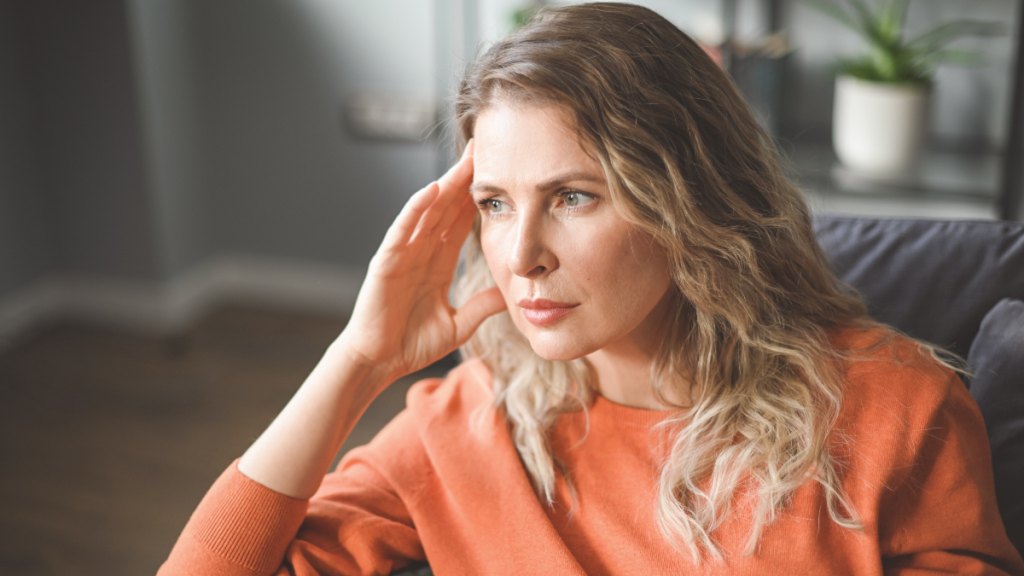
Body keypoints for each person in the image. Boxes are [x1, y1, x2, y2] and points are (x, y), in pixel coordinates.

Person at [159, 3, 1024, 574]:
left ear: (689, 201)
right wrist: (357, 361)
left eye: (573, 197)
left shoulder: (896, 415)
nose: (522, 253)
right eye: (494, 204)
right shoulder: (469, 423)